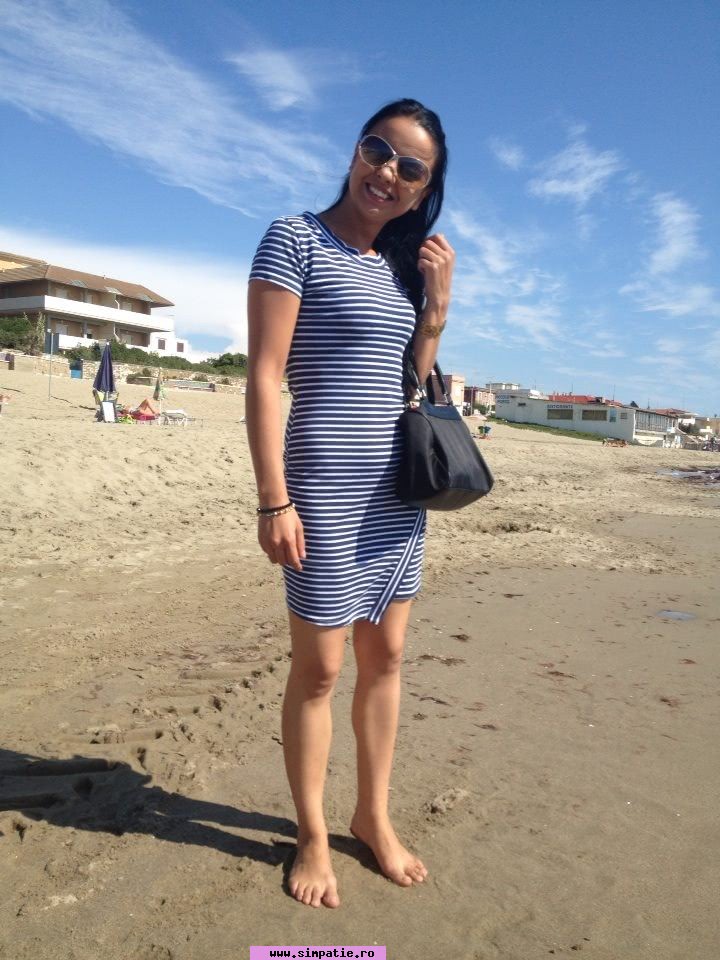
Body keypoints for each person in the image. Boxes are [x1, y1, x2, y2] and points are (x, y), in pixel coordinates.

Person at [245, 98, 454, 909]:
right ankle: (311, 833)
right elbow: (266, 376)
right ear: (356, 151)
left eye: (411, 168)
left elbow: (409, 384)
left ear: (423, 189)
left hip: (395, 497)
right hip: (322, 492)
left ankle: (372, 815)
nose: (388, 172)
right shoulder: (294, 239)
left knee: (387, 658)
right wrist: (274, 500)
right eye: (379, 150)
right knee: (321, 668)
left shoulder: (400, 266)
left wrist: (436, 308)